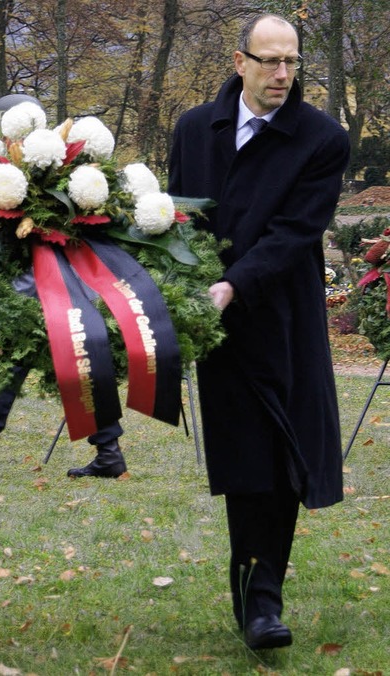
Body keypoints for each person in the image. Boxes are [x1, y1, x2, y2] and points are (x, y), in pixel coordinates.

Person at [168, 14, 349, 650]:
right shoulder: (195, 127)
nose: (281, 75)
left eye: (291, 63)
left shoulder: (322, 138)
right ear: (239, 61)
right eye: (269, 61)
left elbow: (295, 232)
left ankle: (263, 598)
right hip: (213, 325)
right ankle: (256, 603)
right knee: (245, 457)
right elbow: (175, 214)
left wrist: (234, 284)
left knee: (284, 458)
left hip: (282, 318)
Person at [0, 92, 128, 480]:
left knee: (15, 360)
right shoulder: (22, 167)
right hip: (59, 287)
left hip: (42, 287)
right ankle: (109, 451)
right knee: (83, 361)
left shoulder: (50, 168)